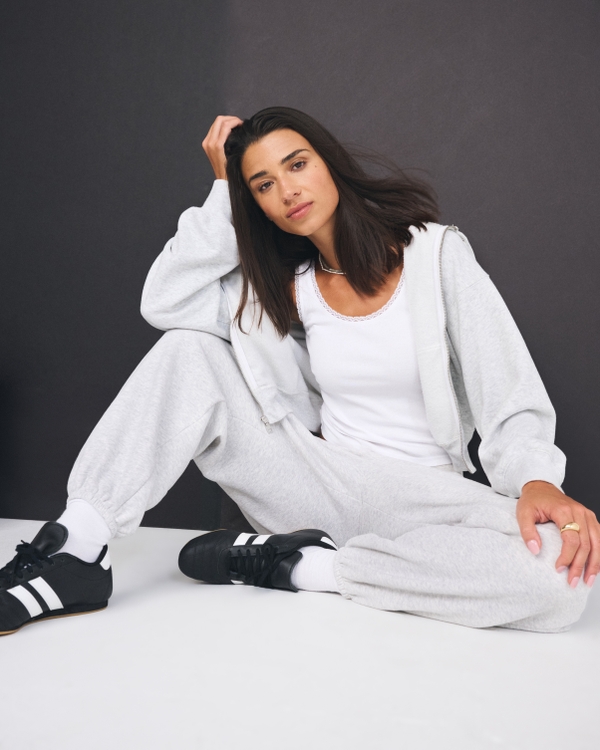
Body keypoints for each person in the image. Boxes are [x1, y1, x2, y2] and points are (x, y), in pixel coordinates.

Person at [1, 107, 597, 636]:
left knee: (559, 577)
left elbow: (507, 384)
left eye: (297, 164)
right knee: (189, 349)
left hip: (427, 499)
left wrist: (536, 481)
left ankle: (303, 566)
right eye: (263, 184)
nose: (287, 190)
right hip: (314, 480)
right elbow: (165, 301)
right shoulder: (285, 288)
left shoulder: (436, 256)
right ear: (255, 204)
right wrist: (221, 190)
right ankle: (78, 546)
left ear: (329, 163)